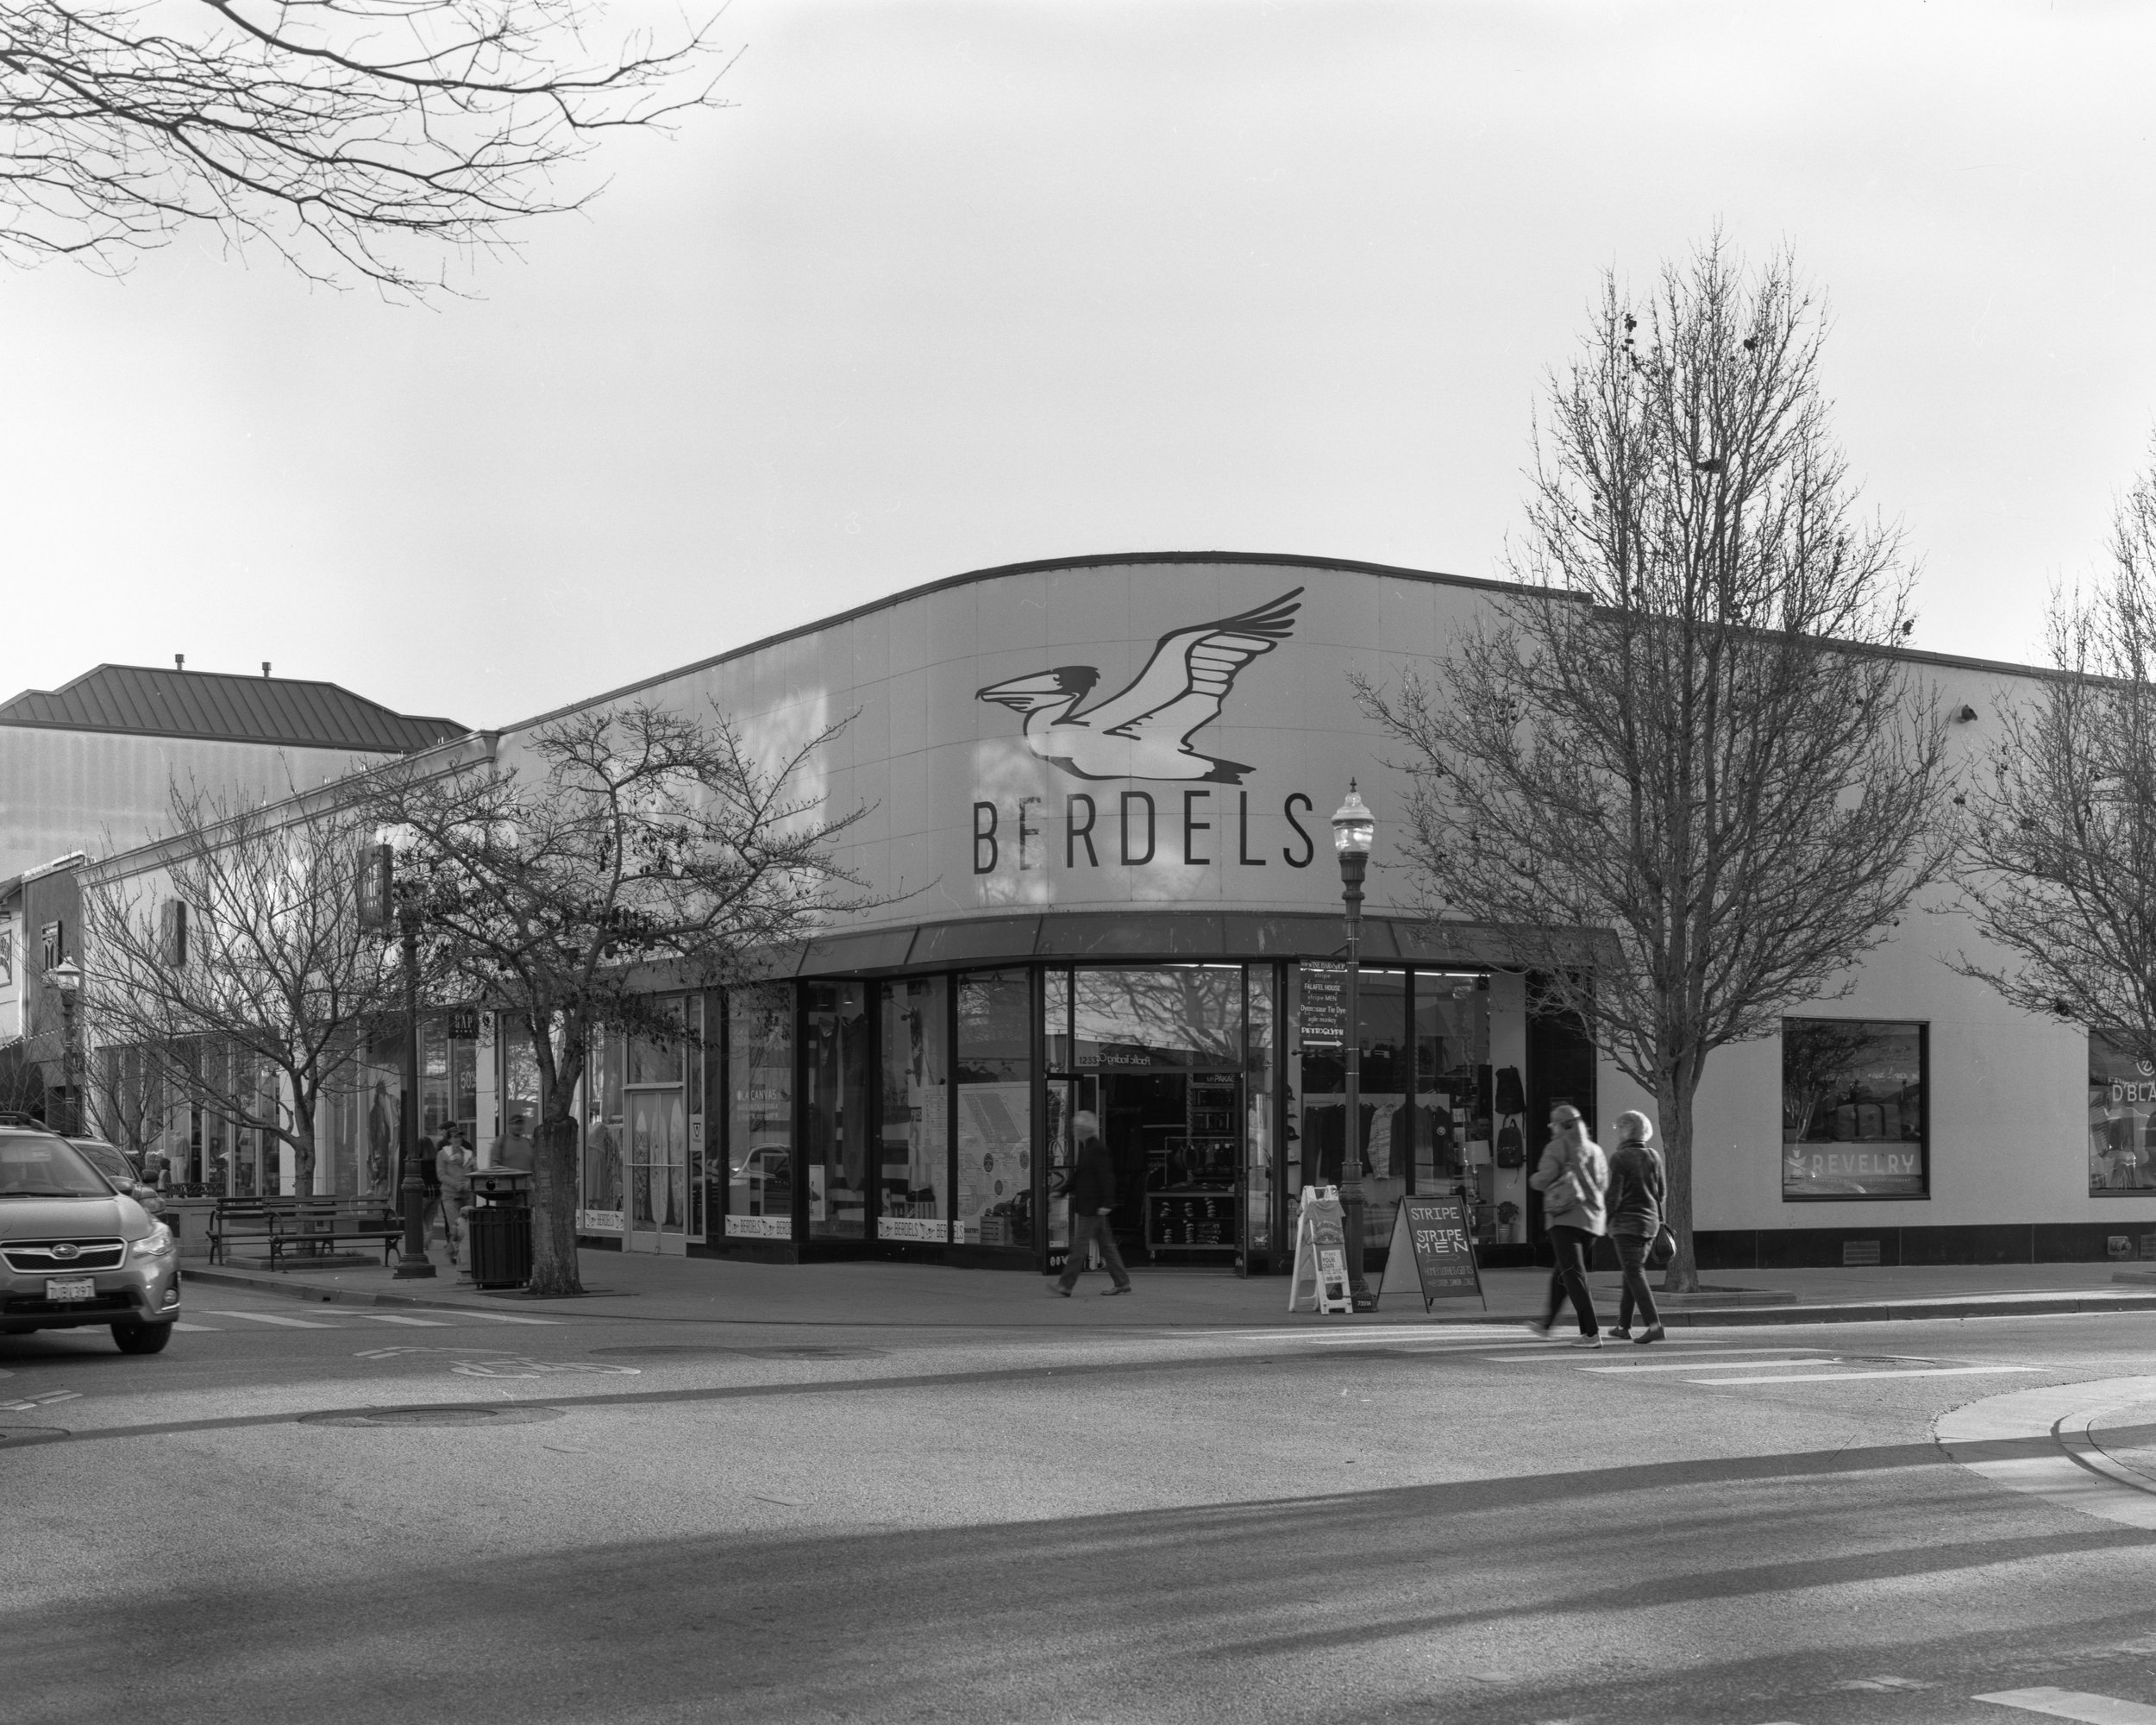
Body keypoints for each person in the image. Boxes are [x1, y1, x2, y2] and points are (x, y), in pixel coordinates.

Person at [1527, 1105, 1608, 1347]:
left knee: (1573, 1275)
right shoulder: (1595, 1150)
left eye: (1553, 1124)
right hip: (1592, 1220)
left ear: (1562, 1125)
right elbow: (1603, 1184)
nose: (1552, 1128)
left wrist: (1533, 1178)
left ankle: (1591, 1333)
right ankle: (1547, 1325)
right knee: (1563, 1272)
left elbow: (1543, 1179)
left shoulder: (1558, 1146)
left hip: (1565, 1218)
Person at [1604, 1110, 1666, 1345]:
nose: (1617, 1132)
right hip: (1649, 1224)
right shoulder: (1653, 1156)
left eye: (1618, 1127)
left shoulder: (1619, 1158)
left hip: (1627, 1224)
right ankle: (1623, 1326)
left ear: (1626, 1130)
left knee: (1634, 1273)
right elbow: (1661, 1192)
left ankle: (1654, 1325)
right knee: (1631, 1271)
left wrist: (1605, 1217)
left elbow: (1614, 1196)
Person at [1056, 1110, 1132, 1297]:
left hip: (1093, 1208)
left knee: (1079, 1247)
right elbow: (1078, 1177)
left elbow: (1107, 1178)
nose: (1074, 1131)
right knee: (1107, 1247)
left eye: (1076, 1128)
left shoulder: (1096, 1150)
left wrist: (1107, 1203)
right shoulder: (1088, 1149)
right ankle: (1122, 1282)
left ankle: (1066, 1285)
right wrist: (1062, 1191)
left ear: (1084, 1130)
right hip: (1093, 1207)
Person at [435, 1124, 476, 1267]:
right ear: (449, 1139)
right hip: (450, 1195)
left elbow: (475, 1172)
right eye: (455, 1137)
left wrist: (468, 1183)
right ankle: (457, 1254)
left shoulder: (468, 1154)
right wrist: (456, 1184)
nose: (458, 1139)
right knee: (456, 1226)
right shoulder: (442, 1154)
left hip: (466, 1194)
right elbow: (441, 1175)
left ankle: (456, 1252)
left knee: (467, 1226)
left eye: (460, 1136)